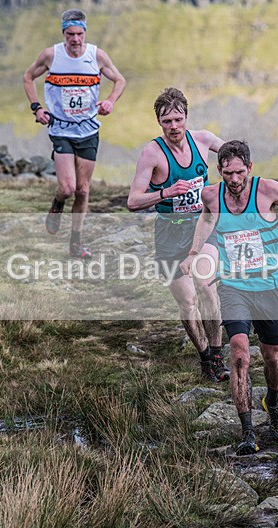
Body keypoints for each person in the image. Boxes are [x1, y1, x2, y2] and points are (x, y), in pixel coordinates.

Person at [180, 140, 278, 455]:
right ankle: (247, 432)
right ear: (220, 171)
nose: (234, 179)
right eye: (227, 173)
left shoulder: (267, 190)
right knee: (239, 355)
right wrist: (195, 251)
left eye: (239, 172)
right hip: (234, 286)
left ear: (249, 168)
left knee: (273, 356)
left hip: (269, 286)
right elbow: (206, 218)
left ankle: (273, 402)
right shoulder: (212, 195)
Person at [127, 88, 229, 383]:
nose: (173, 126)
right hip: (170, 233)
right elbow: (133, 201)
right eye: (167, 121)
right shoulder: (152, 152)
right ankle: (205, 357)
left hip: (203, 227)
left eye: (178, 119)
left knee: (207, 288)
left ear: (186, 116)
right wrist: (166, 192)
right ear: (159, 121)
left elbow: (236, 159)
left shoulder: (204, 140)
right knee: (187, 303)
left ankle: (219, 355)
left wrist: (230, 183)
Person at [23, 9, 126, 259]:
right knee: (68, 188)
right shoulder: (51, 55)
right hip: (60, 129)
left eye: (80, 34)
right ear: (63, 33)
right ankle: (58, 203)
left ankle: (76, 242)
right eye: (70, 34)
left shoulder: (97, 56)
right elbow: (28, 77)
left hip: (89, 129)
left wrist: (110, 101)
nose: (76, 39)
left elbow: (120, 80)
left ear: (85, 33)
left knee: (83, 190)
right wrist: (36, 107)